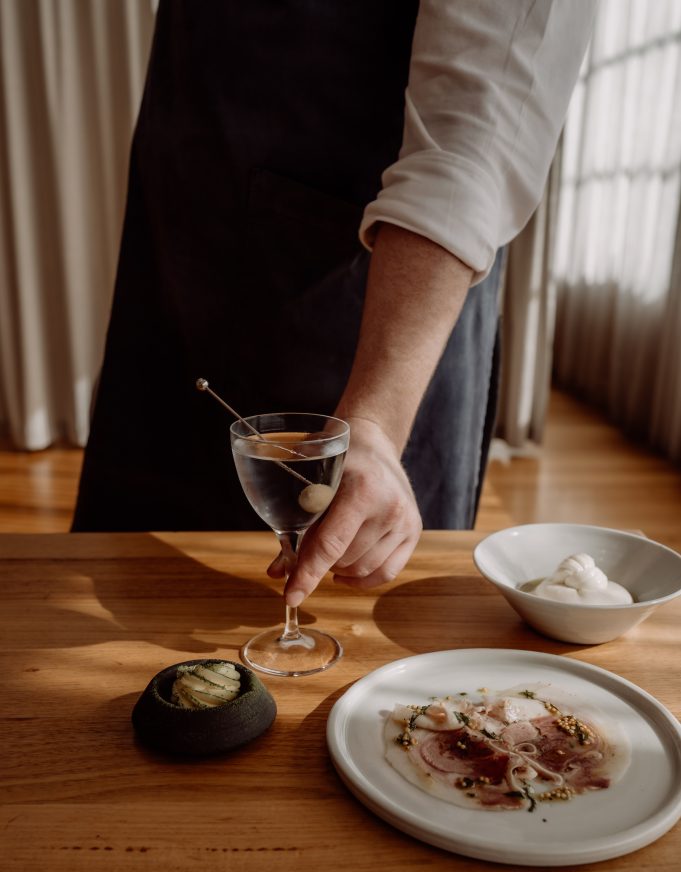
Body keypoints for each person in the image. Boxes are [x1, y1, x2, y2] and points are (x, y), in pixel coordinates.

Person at [72, 0, 597, 610]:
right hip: (174, 268)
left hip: (363, 311)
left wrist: (374, 422)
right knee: (120, 595)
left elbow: (476, 136)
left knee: (350, 610)